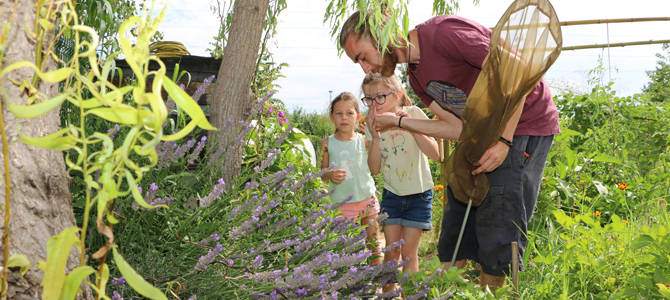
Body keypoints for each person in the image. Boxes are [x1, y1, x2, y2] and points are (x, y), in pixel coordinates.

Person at [339, 11, 559, 289]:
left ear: (381, 34)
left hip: (525, 121)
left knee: (500, 221)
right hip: (483, 132)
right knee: (457, 224)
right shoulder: (417, 78)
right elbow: (457, 129)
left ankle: (499, 291)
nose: (365, 69)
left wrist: (504, 141)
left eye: (361, 56)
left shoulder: (442, 34)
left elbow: (518, 71)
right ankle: (454, 291)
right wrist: (400, 122)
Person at [362, 72, 439, 292]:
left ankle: (411, 295)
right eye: (369, 99)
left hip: (419, 194)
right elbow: (374, 168)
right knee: (391, 251)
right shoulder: (371, 124)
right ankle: (387, 295)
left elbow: (435, 154)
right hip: (392, 195)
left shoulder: (413, 113)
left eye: (380, 97)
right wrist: (376, 137)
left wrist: (406, 124)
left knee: (408, 253)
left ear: (397, 95)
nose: (374, 104)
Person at [320, 91, 382, 265]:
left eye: (349, 113)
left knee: (373, 245)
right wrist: (329, 175)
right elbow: (322, 174)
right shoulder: (327, 143)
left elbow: (376, 159)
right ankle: (352, 285)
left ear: (358, 117)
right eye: (339, 113)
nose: (344, 118)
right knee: (347, 249)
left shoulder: (364, 140)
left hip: (368, 199)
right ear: (332, 118)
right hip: (343, 203)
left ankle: (376, 283)